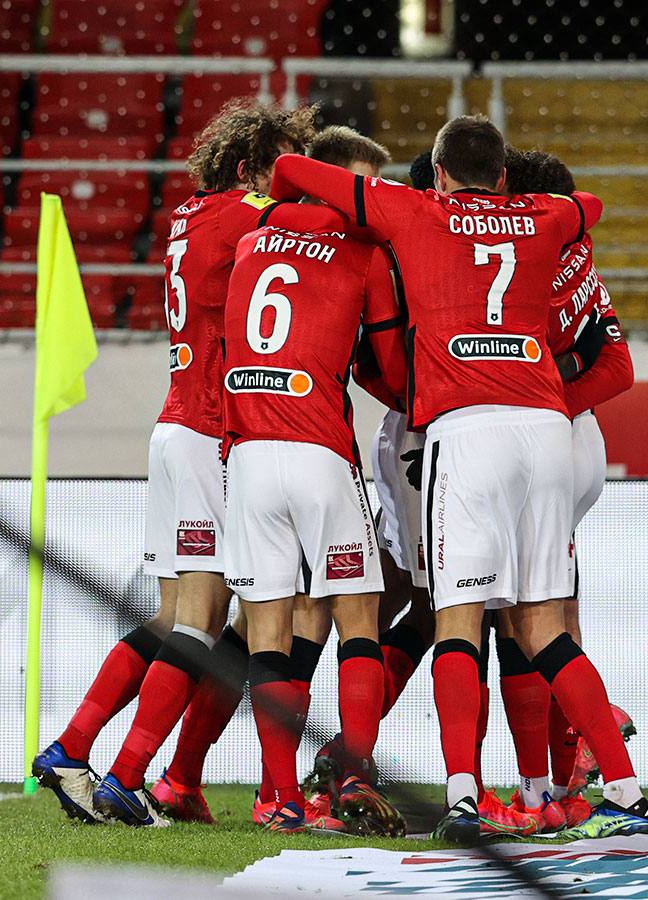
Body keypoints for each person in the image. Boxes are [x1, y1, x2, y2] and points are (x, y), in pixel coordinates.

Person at [268, 115, 648, 842]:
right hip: (548, 430)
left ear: (440, 173)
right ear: (503, 177)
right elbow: (590, 207)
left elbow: (293, 173)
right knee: (545, 624)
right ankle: (625, 795)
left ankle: (464, 799)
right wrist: (523, 212)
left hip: (466, 432)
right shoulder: (545, 217)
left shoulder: (415, 210)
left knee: (455, 620)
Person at [33, 98, 352, 827]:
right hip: (212, 432)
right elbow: (330, 228)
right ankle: (126, 776)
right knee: (202, 623)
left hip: (174, 427)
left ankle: (74, 747)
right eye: (280, 173)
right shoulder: (249, 214)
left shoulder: (187, 216)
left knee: (175, 614)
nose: (288, 187)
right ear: (247, 170)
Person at [222, 126, 411, 834]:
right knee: (358, 612)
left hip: (248, 456)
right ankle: (354, 773)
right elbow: (393, 369)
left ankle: (277, 798)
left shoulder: (251, 237)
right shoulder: (366, 251)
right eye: (359, 185)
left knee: (267, 629)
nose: (367, 200)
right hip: (320, 452)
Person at [490, 148, 638, 832]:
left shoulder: (518, 254)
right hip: (579, 439)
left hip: (536, 441)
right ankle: (570, 763)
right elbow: (618, 365)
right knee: (553, 606)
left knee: (521, 621)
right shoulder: (580, 258)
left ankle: (546, 786)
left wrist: (545, 400)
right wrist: (565, 384)